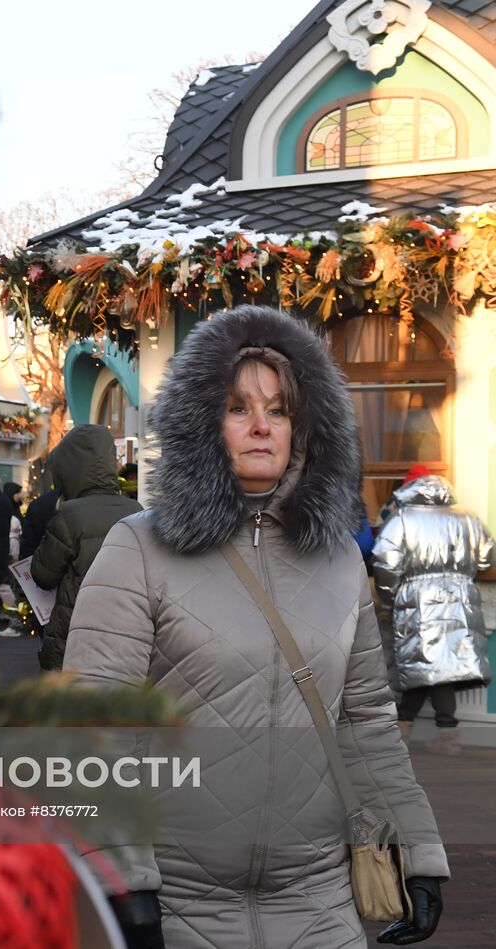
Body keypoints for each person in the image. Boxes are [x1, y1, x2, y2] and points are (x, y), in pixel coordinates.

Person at [64, 306, 447, 948]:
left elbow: (368, 721)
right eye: (239, 408)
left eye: (281, 409)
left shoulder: (338, 558)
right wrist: (123, 881)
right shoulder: (138, 549)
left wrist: (419, 848)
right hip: (181, 906)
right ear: (204, 424)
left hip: (321, 903)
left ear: (306, 424)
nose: (262, 426)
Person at [373, 470, 494, 755]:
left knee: (423, 665)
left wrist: (389, 601)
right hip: (459, 598)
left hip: (418, 600)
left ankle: (404, 731)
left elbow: (385, 563)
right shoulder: (467, 516)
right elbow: (487, 556)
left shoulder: (403, 518)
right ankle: (447, 735)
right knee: (442, 668)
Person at [29, 424, 141, 671]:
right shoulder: (138, 511)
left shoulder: (69, 515)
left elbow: (43, 575)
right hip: (127, 629)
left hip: (76, 632)